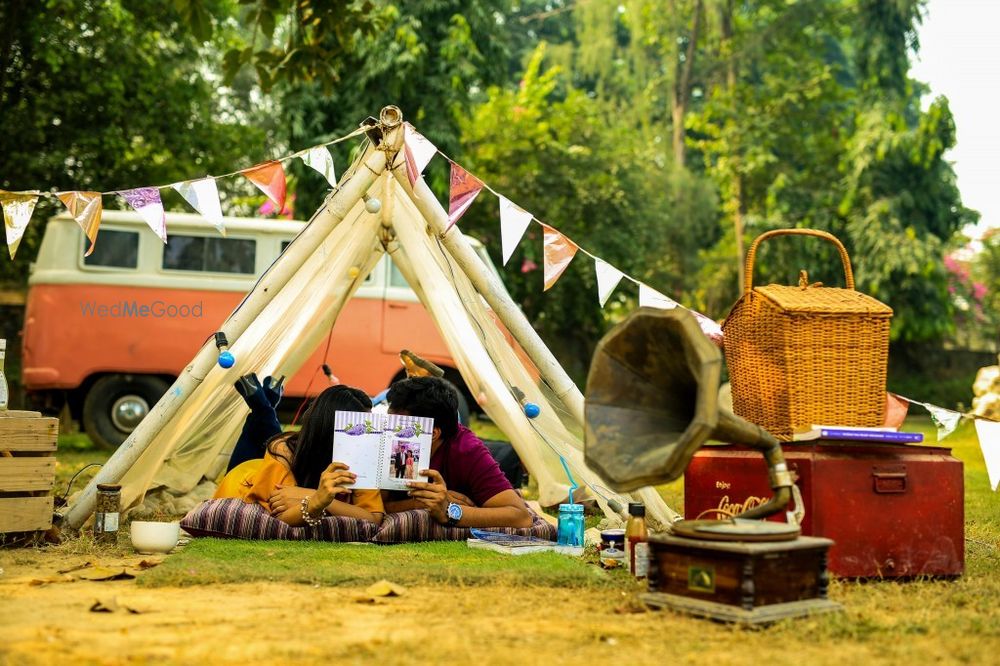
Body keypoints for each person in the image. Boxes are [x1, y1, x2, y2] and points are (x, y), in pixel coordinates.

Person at [215, 384, 384, 526]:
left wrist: (316, 498)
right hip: (242, 484)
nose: (365, 437)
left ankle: (263, 405)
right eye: (358, 430)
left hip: (271, 469)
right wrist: (318, 499)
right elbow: (280, 519)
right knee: (260, 431)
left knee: (262, 426)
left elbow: (373, 517)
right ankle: (262, 406)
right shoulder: (284, 450)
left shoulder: (362, 453)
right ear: (330, 429)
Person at [385, 376, 533, 528]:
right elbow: (374, 508)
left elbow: (520, 517)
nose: (388, 433)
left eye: (399, 428)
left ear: (432, 434)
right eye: (388, 422)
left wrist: (449, 512)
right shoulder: (382, 442)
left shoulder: (467, 450)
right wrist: (418, 503)